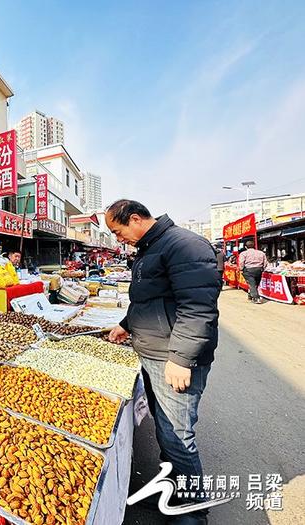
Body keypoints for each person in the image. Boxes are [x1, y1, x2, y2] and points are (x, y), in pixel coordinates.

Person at [105, 200, 221, 525]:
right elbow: (149, 299)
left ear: (136, 218)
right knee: (165, 428)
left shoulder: (184, 245)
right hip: (155, 354)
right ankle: (173, 488)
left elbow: (198, 308)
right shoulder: (150, 248)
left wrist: (181, 358)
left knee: (177, 435)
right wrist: (126, 325)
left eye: (118, 231)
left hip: (173, 358)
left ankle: (192, 511)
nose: (118, 239)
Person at [239, 239, 267, 304]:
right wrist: (263, 269)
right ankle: (250, 295)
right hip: (259, 270)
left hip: (248, 270)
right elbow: (265, 263)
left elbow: (241, 263)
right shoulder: (261, 253)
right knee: (256, 284)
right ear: (254, 246)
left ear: (246, 247)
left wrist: (241, 269)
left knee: (252, 284)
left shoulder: (243, 253)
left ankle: (256, 298)